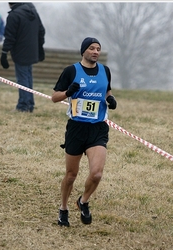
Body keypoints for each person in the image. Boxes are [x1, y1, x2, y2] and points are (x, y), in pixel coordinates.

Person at [51, 37, 118, 227]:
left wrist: (111, 100)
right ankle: (63, 208)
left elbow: (107, 92)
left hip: (98, 128)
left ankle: (83, 201)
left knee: (96, 174)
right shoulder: (71, 71)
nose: (95, 51)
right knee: (71, 175)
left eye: (98, 49)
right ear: (83, 51)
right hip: (76, 128)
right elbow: (54, 97)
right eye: (91, 48)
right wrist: (67, 93)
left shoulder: (105, 71)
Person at [0, 2, 45, 113]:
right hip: (32, 51)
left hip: (20, 51)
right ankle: (29, 104)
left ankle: (23, 106)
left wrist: (4, 52)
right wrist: (40, 48)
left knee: (23, 79)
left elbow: (9, 36)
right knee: (28, 77)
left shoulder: (14, 15)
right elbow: (41, 31)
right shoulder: (33, 12)